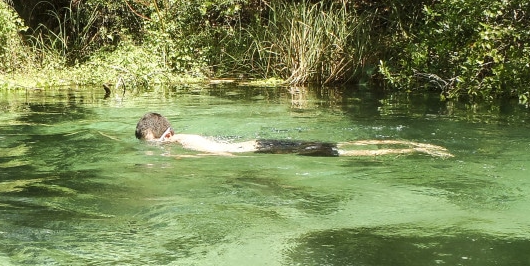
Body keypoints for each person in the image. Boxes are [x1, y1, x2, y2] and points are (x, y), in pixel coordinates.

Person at [134, 112, 452, 158]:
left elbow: (222, 155)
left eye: (155, 143)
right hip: (262, 146)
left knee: (340, 153)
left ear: (167, 134)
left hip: (261, 149)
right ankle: (412, 144)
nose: (156, 149)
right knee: (338, 147)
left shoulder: (180, 140)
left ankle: (414, 149)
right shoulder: (181, 137)